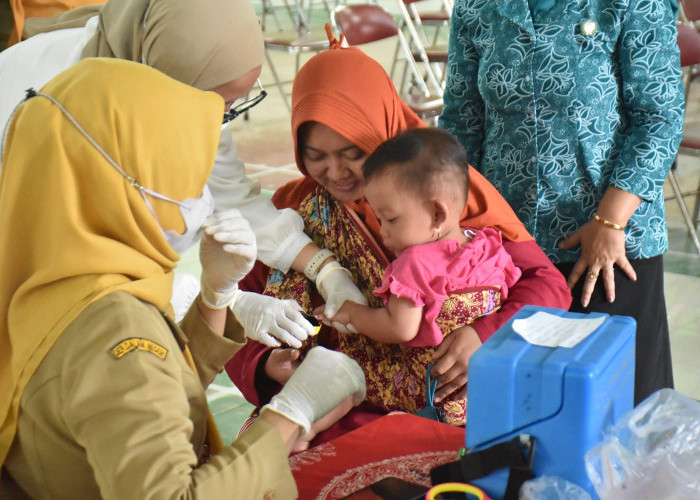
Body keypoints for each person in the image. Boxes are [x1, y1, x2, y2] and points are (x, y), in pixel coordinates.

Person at [0, 58, 366, 498]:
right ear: (123, 182)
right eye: (184, 171)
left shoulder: (47, 277)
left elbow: (139, 399)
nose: (202, 197)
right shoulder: (116, 329)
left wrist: (216, 299)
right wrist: (290, 416)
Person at [226, 33, 572, 446]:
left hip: (445, 407)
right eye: (316, 156)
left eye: (353, 151)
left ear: (381, 128)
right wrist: (267, 364)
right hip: (336, 408)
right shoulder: (294, 210)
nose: (336, 172)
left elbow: (546, 285)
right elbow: (237, 309)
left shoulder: (447, 194)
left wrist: (484, 333)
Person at [0, 0, 367, 346]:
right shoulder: (54, 112)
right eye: (222, 105)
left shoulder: (175, 77)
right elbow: (68, 262)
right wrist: (216, 300)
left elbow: (228, 191)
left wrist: (324, 268)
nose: (224, 118)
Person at [439, 0, 685, 405]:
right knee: (527, 411)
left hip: (610, 249)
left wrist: (609, 222)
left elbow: (659, 116)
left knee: (619, 411)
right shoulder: (478, 7)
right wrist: (453, 232)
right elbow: (461, 124)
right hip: (509, 251)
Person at [316, 127, 522, 425]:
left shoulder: (415, 263)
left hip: (437, 399)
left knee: (345, 374)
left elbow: (400, 328)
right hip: (493, 390)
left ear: (438, 214)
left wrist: (353, 314)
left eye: (391, 219)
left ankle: (306, 430)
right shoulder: (486, 244)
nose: (383, 231)